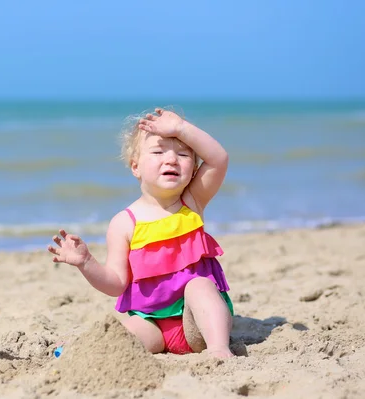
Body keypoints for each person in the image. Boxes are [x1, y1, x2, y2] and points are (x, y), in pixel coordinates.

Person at [47, 107, 234, 358]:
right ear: (135, 167)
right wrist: (86, 263)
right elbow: (115, 284)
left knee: (199, 285)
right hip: (151, 323)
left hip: (197, 325)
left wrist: (181, 129)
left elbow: (218, 159)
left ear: (193, 168)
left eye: (183, 154)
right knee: (117, 337)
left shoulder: (192, 201)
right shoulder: (124, 223)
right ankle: (77, 353)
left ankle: (220, 350)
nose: (171, 160)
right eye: (158, 152)